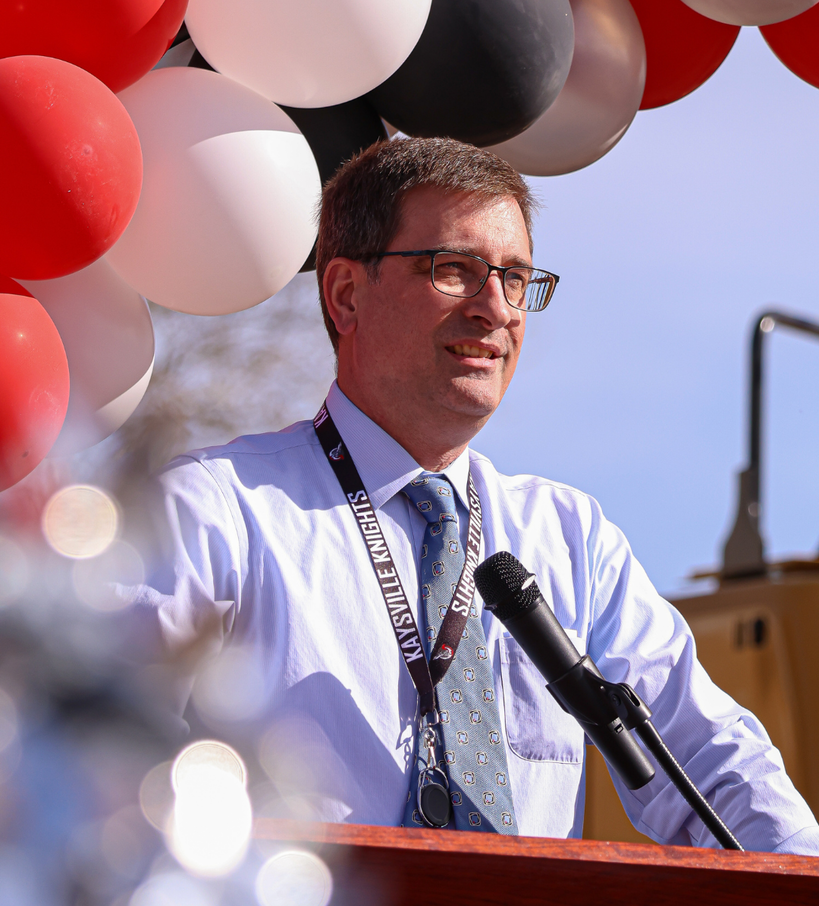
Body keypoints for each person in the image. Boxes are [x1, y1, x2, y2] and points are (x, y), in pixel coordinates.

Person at [128, 136, 819, 851]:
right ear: (345, 295)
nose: (495, 309)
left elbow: (709, 760)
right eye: (453, 270)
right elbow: (102, 753)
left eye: (514, 278)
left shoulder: (567, 536)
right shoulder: (213, 513)